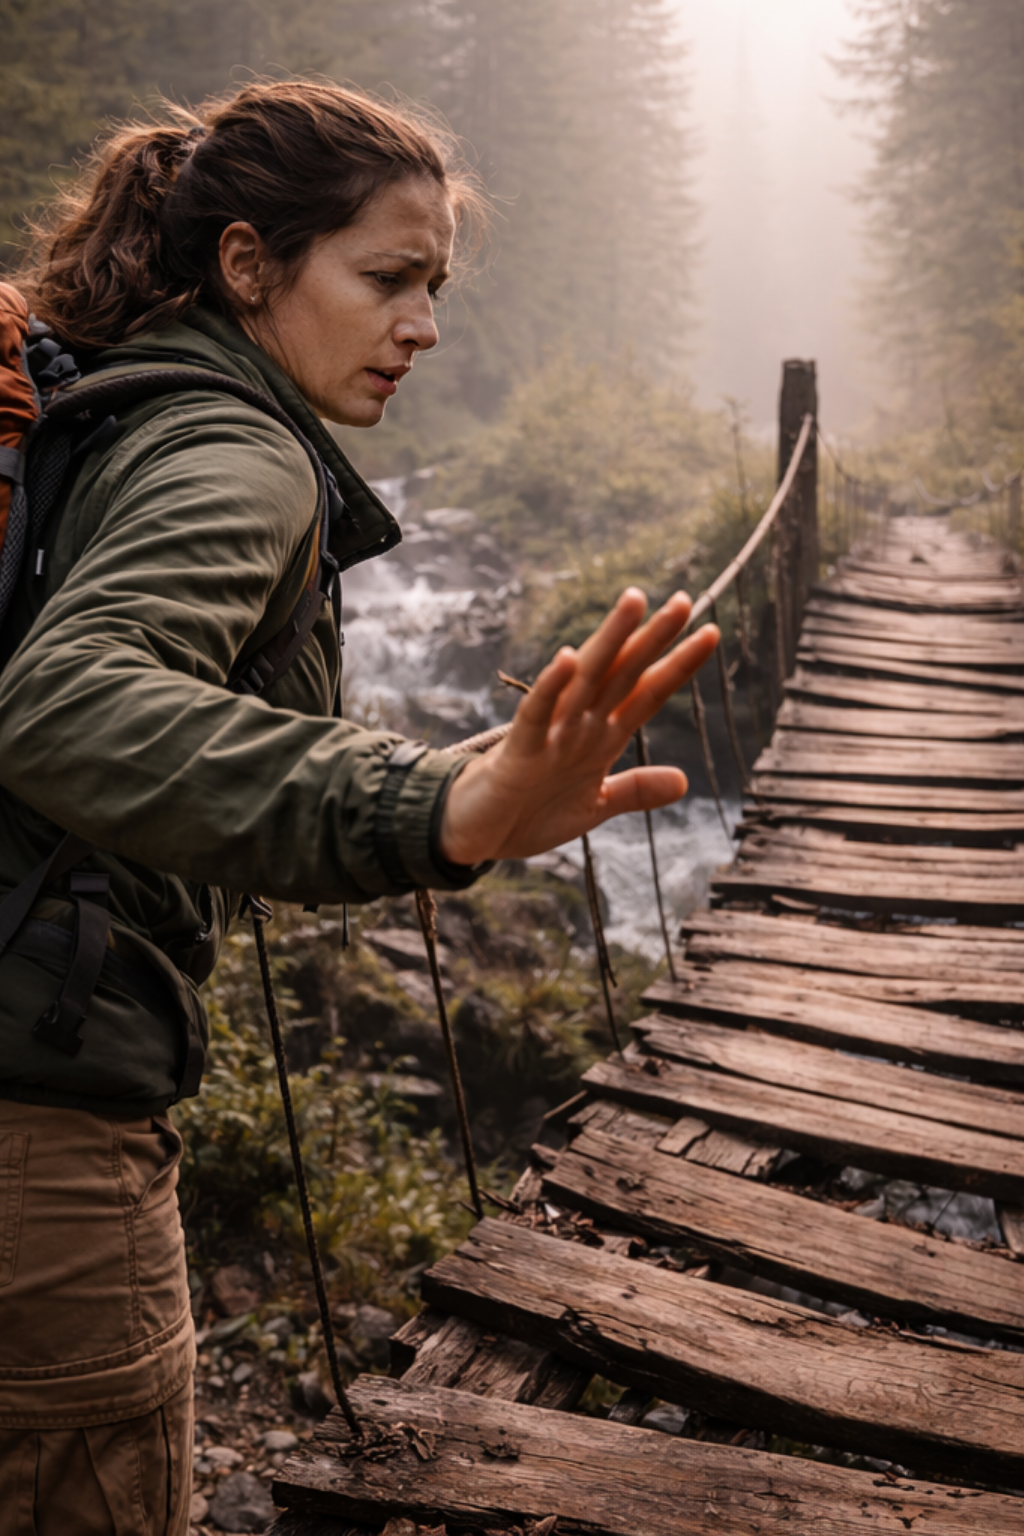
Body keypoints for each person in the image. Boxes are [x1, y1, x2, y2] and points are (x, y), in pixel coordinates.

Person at [0, 80, 717, 1532]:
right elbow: (65, 706)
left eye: (437, 287)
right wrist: (443, 802)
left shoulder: (97, 417)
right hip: (43, 1147)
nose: (425, 326)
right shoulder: (234, 450)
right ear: (250, 263)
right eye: (388, 278)